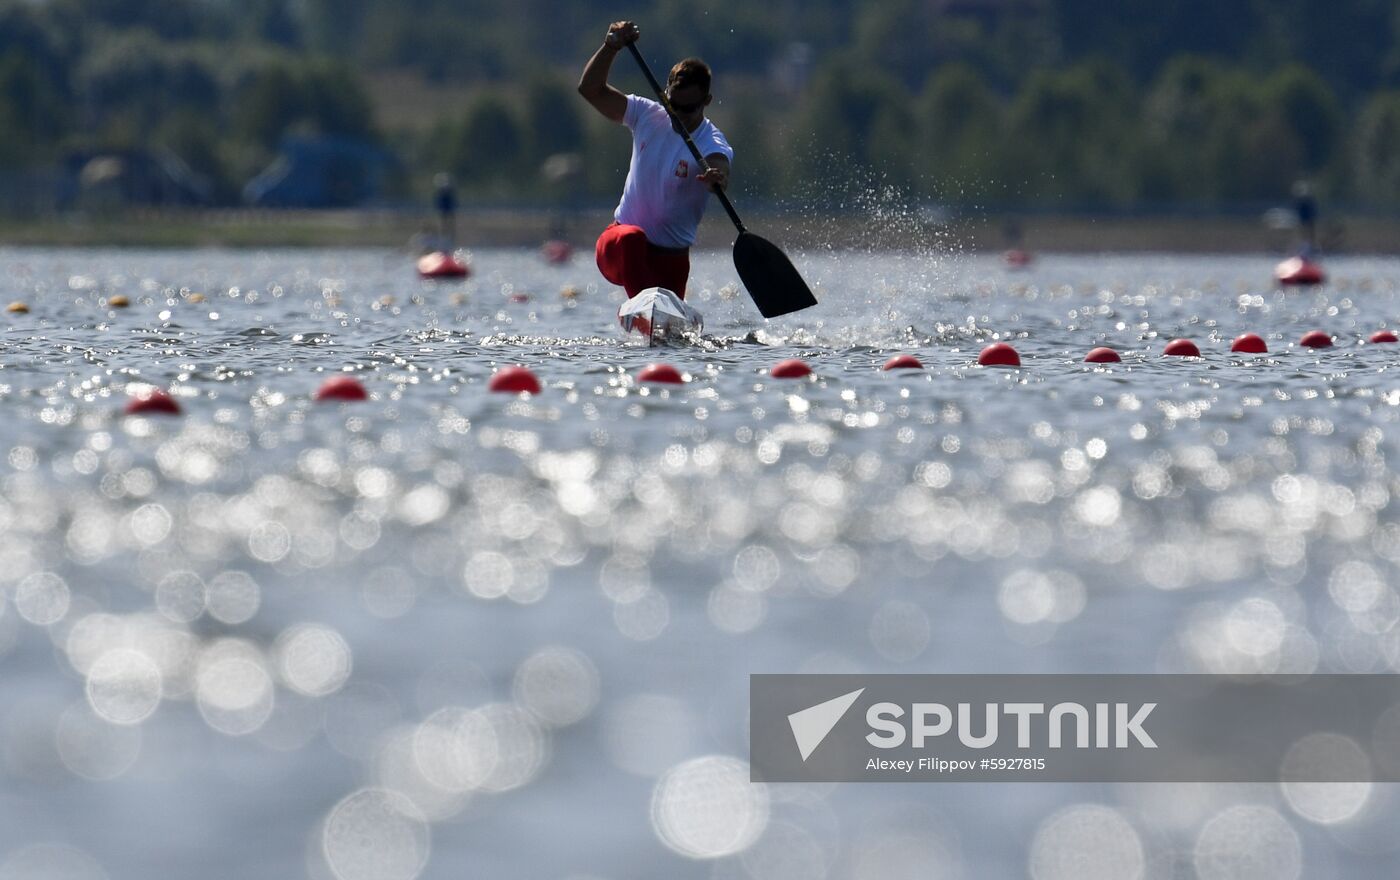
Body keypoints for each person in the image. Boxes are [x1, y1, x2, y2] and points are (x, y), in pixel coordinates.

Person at [577, 20, 732, 300]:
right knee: (632, 238)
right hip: (618, 246)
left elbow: (719, 164)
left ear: (707, 101)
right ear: (665, 94)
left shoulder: (712, 141)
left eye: (689, 107)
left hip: (671, 261)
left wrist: (716, 177)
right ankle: (645, 305)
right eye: (674, 104)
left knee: (670, 339)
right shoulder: (645, 114)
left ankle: (654, 315)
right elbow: (591, 90)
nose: (679, 114)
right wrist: (611, 47)